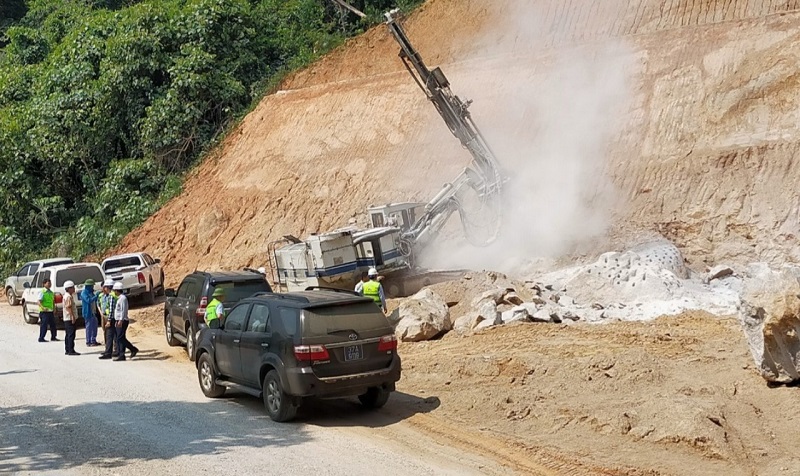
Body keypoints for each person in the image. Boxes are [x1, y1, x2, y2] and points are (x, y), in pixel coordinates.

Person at [113, 282, 138, 361]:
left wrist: (121, 320)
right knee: (120, 337)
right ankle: (121, 354)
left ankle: (133, 349)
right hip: (119, 320)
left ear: (117, 291)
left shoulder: (123, 298)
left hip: (123, 320)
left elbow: (123, 310)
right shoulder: (120, 298)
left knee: (120, 338)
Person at [98, 279, 118, 360]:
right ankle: (116, 351)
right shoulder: (109, 295)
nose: (103, 288)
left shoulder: (111, 296)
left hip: (112, 318)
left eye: (105, 287)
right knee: (114, 335)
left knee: (110, 335)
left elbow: (111, 309)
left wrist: (109, 320)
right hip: (111, 317)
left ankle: (108, 353)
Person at [80, 279, 100, 346]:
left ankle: (93, 340)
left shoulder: (91, 292)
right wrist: (95, 296)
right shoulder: (84, 293)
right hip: (87, 313)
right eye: (91, 286)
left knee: (94, 326)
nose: (92, 287)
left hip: (93, 312)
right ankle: (88, 341)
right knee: (89, 327)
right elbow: (88, 300)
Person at [37, 278, 58, 342]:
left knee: (53, 325)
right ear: (44, 284)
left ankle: (53, 337)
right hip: (44, 312)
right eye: (48, 283)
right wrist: (43, 308)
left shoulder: (51, 292)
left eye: (50, 283)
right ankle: (41, 338)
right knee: (44, 325)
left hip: (50, 311)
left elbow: (53, 301)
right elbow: (38, 301)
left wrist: (54, 309)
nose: (49, 284)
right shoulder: (42, 292)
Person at [62, 280, 80, 356]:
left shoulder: (66, 296)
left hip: (67, 318)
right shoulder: (68, 296)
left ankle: (67, 349)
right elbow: (68, 307)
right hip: (69, 318)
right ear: (69, 288)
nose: (74, 289)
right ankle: (71, 350)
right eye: (72, 287)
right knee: (71, 334)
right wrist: (72, 317)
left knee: (68, 334)